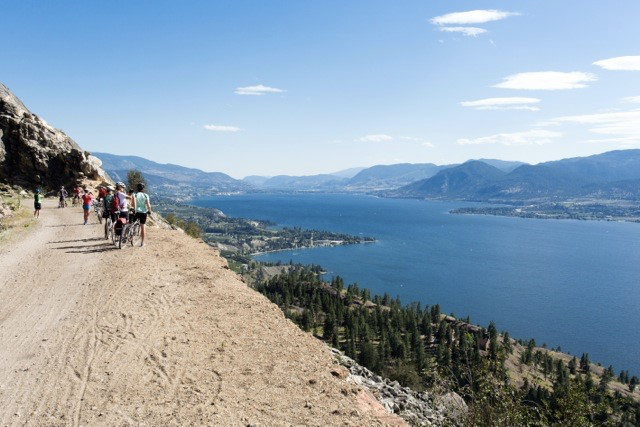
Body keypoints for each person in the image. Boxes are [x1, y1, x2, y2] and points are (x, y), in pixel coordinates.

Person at [133, 183, 152, 247]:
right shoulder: (146, 195)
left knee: (131, 224)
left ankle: (127, 236)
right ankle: (142, 242)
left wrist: (135, 209)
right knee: (143, 226)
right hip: (143, 212)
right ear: (143, 188)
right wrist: (149, 211)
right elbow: (148, 205)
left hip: (136, 211)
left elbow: (133, 203)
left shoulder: (135, 194)